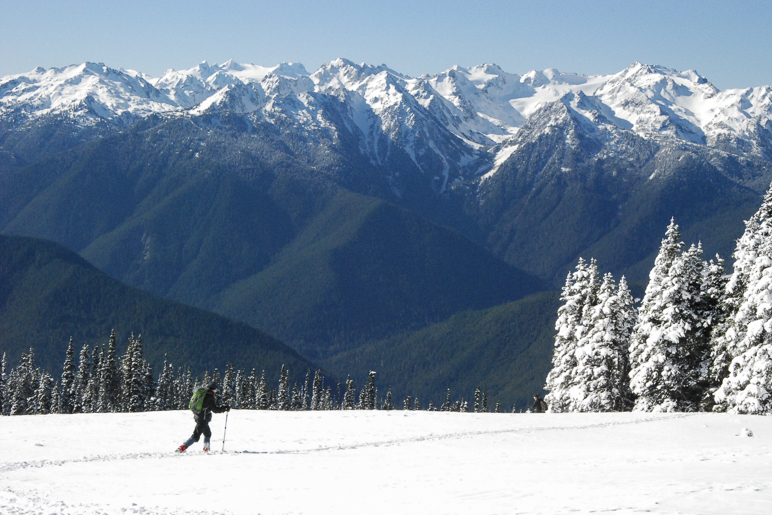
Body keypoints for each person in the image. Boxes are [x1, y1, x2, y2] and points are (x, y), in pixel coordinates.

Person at [177, 382, 230, 453]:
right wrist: (225, 408)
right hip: (203, 418)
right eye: (216, 389)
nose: (217, 390)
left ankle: (206, 449)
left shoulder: (204, 393)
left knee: (208, 433)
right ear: (213, 388)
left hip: (199, 416)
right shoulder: (209, 396)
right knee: (196, 436)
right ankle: (182, 448)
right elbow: (215, 409)